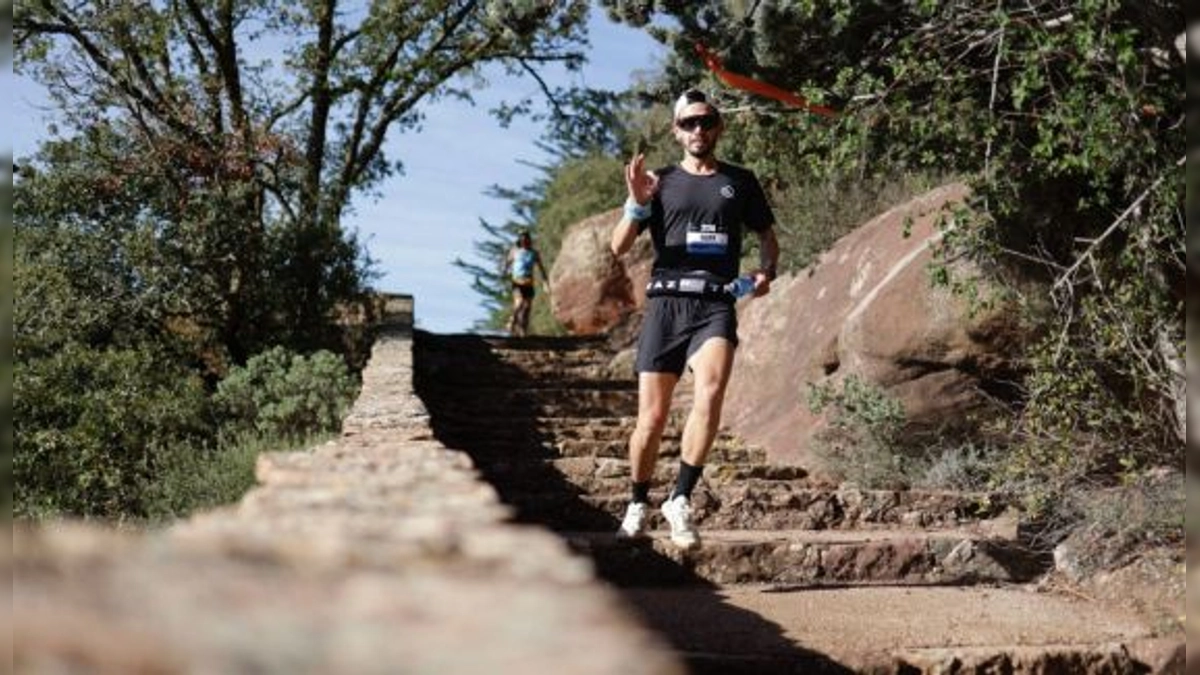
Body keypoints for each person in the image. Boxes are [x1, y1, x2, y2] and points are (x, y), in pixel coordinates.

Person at [610, 89, 779, 549]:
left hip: (715, 304)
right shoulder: (658, 181)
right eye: (689, 123)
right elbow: (618, 247)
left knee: (711, 391)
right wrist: (637, 204)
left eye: (706, 122)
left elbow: (766, 236)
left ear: (719, 126)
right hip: (666, 305)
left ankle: (680, 498)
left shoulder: (740, 181)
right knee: (652, 418)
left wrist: (766, 271)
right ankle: (638, 501)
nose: (698, 130)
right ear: (676, 131)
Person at [504, 230, 550, 337]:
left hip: (528, 282)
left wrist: (545, 282)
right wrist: (505, 270)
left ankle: (523, 332)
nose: (524, 241)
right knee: (519, 303)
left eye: (526, 239)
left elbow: (541, 268)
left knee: (527, 309)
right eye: (522, 239)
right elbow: (507, 262)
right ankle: (511, 322)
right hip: (517, 281)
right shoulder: (515, 251)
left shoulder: (534, 253)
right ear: (520, 240)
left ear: (529, 240)